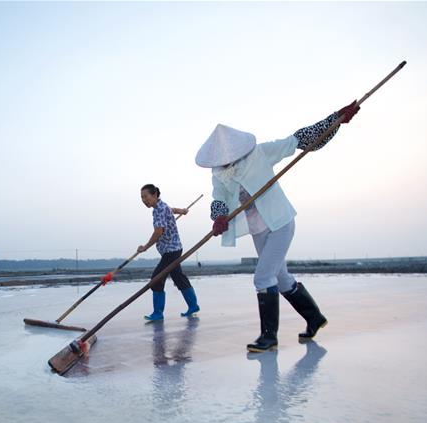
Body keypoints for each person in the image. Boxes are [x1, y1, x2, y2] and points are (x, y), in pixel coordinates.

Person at [195, 101, 360, 351]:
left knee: (263, 276)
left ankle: (269, 337)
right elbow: (218, 198)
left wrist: (334, 120)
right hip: (258, 229)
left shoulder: (259, 154)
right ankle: (315, 318)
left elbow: (298, 140)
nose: (225, 161)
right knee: (281, 279)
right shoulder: (219, 174)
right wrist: (218, 217)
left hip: (280, 222)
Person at [137, 184, 200, 321]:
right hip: (174, 249)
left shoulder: (159, 210)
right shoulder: (161, 206)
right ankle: (193, 305)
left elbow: (158, 232)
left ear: (155, 195)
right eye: (142, 198)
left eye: (146, 197)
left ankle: (158, 313)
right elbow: (171, 210)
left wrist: (145, 247)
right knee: (178, 277)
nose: (144, 200)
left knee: (156, 280)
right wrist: (182, 210)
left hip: (171, 251)